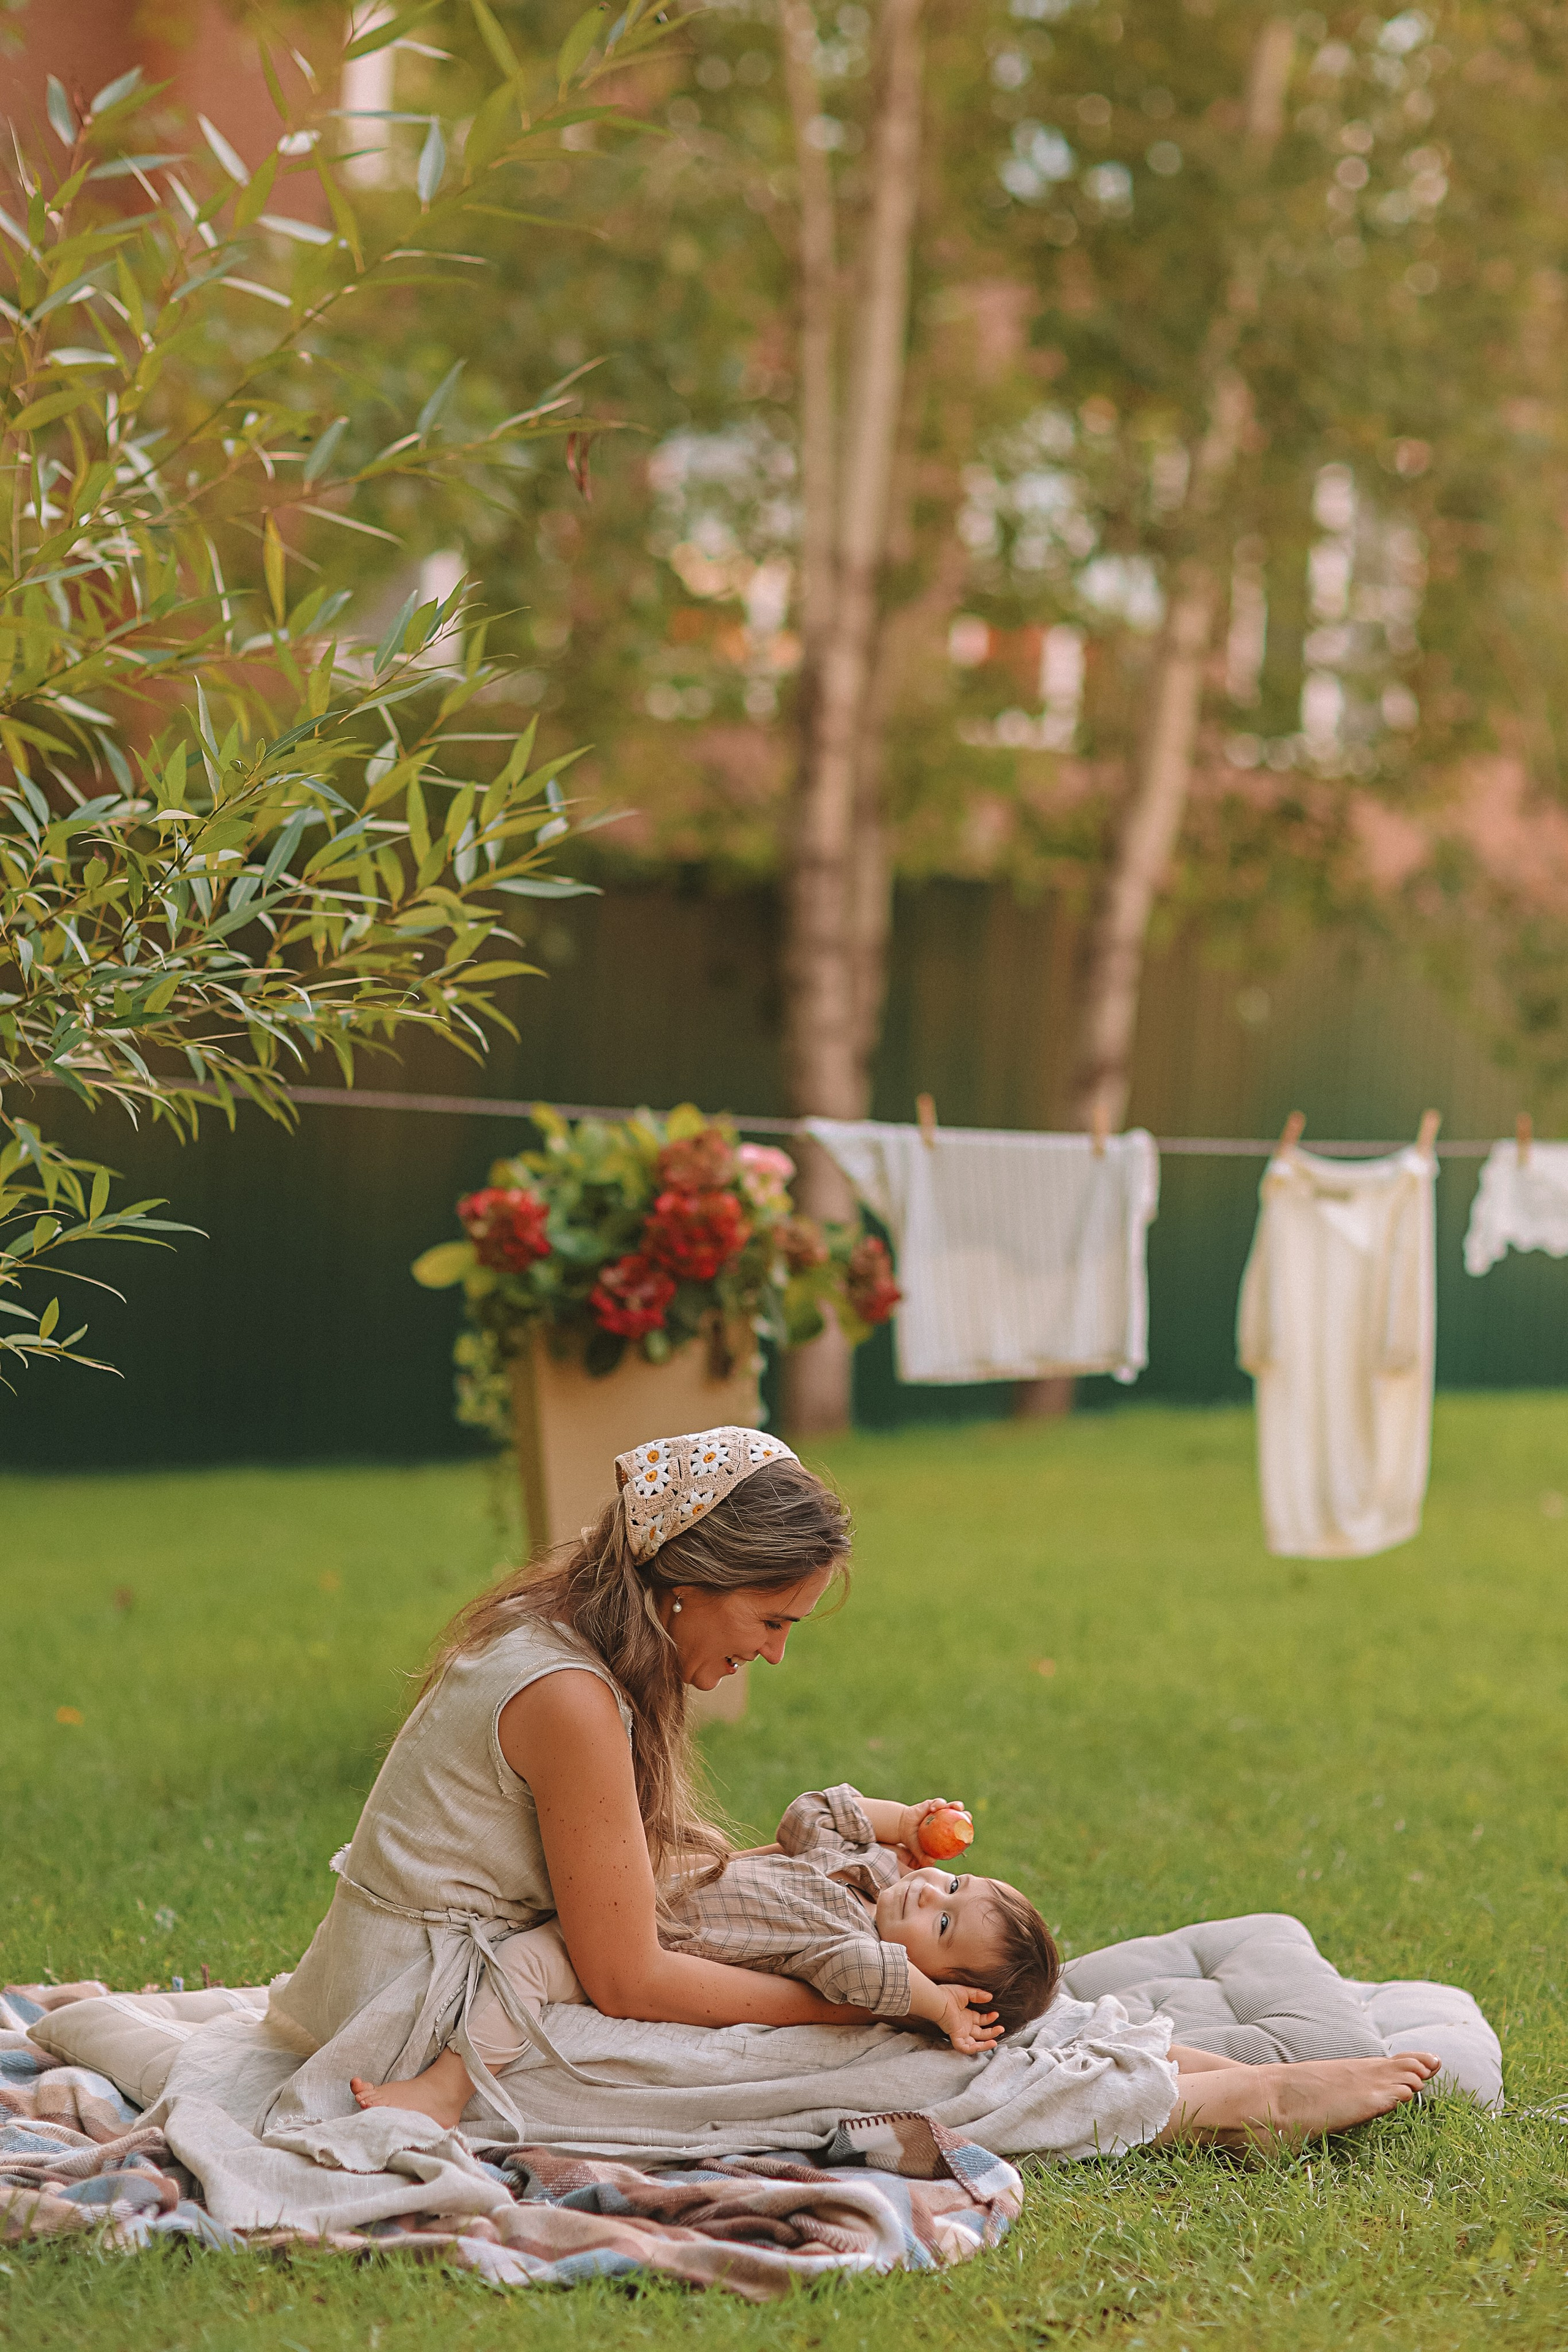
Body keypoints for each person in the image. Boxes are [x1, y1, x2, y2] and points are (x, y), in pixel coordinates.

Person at [267, 1422, 1439, 2150]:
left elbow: (641, 1903)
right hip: (434, 2007)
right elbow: (627, 1975)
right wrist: (861, 2001)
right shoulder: (571, 1694)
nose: (777, 1652)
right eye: (771, 1619)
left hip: (496, 1965)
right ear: (690, 1582)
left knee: (920, 2002)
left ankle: (1180, 2065)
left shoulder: (593, 1639)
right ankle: (1201, 2100)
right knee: (867, 2053)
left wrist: (860, 1954)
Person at [352, 1782, 1061, 2127]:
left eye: (942, 1929)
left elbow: (861, 1979)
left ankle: (446, 2089)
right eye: (955, 1885)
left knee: (527, 1964)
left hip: (630, 1943)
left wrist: (935, 2006)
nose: (929, 1894)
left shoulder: (848, 1951)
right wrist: (901, 1821)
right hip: (630, 1886)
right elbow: (805, 1816)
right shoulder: (869, 1875)